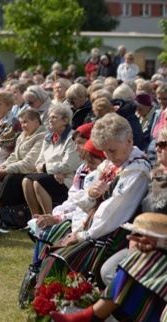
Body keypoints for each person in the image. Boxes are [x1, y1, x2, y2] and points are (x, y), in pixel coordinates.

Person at [37, 113, 151, 288]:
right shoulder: (110, 165)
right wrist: (90, 194)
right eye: (104, 151)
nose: (109, 156)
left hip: (114, 232)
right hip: (94, 225)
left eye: (112, 150)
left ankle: (72, 304)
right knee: (54, 248)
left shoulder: (137, 169)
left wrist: (83, 235)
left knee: (68, 259)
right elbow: (81, 197)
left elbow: (115, 210)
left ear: (128, 141)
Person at [22, 104, 82, 215]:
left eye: (54, 117)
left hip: (67, 178)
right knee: (26, 181)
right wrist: (51, 171)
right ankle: (34, 218)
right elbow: (39, 162)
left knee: (38, 182)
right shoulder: (48, 138)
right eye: (49, 117)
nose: (50, 120)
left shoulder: (72, 137)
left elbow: (68, 165)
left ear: (65, 121)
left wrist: (46, 168)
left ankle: (48, 218)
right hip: (52, 175)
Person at [0, 108, 46, 218]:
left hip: (31, 171)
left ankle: (15, 215)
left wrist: (7, 170)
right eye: (21, 123)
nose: (23, 125)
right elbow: (14, 156)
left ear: (36, 122)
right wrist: (2, 167)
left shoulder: (41, 137)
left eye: (25, 122)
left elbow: (30, 163)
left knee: (10, 178)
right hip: (19, 168)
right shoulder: (22, 135)